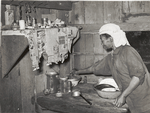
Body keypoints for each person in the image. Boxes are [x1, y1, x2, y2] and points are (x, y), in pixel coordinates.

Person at [72, 23, 150, 113]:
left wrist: (123, 96)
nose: (102, 44)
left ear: (111, 39)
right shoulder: (112, 56)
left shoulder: (128, 51)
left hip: (145, 101)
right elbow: (95, 68)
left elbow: (137, 77)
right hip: (132, 100)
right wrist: (78, 72)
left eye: (102, 40)